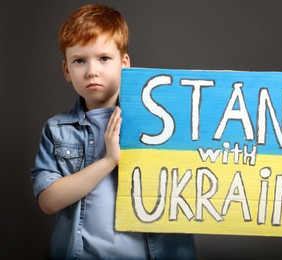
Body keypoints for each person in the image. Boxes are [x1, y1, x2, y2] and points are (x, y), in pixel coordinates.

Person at [30, 4, 195, 259]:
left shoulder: (160, 123)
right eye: (79, 61)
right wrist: (108, 161)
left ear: (124, 63)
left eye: (104, 58)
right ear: (66, 70)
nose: (92, 71)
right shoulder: (57, 130)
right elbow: (48, 201)